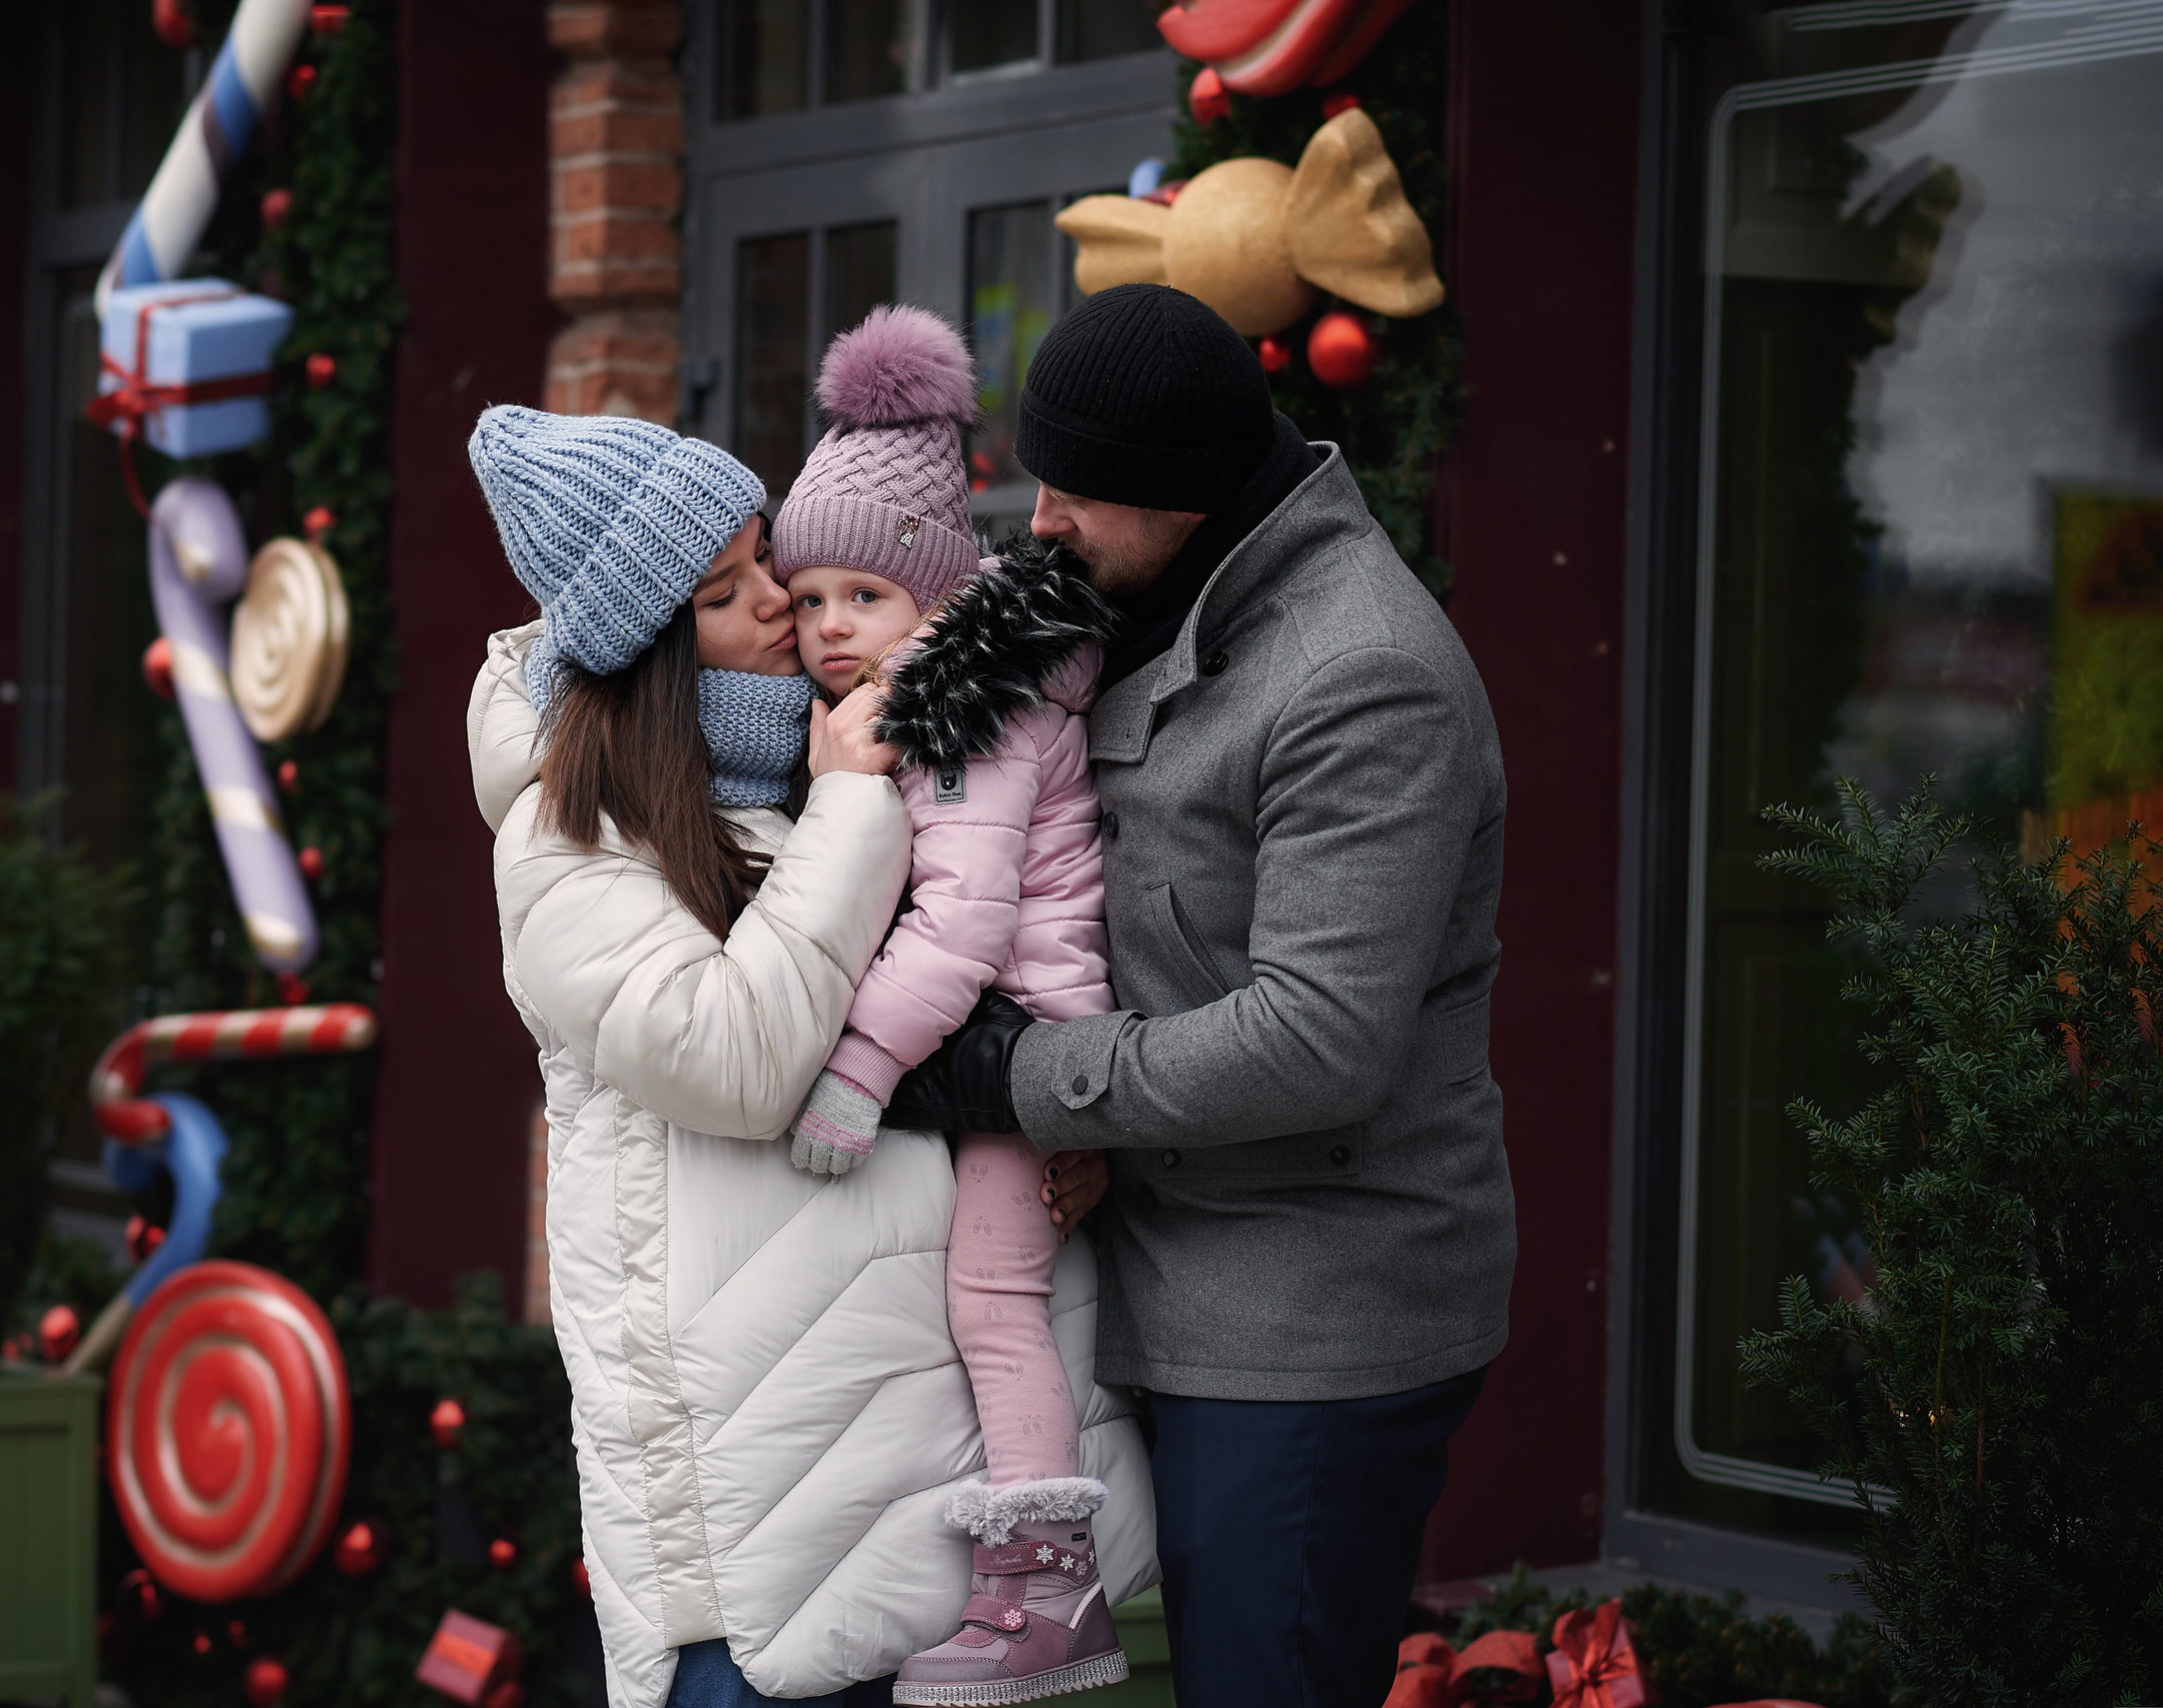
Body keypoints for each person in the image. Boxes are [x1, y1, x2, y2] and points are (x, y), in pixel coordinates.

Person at [879, 283, 1517, 1708]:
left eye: (1081, 489)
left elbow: (1315, 1042)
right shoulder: (1137, 585)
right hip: (1163, 1265)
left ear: (1190, 492)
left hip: (1312, 1305)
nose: (1041, 517)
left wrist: (1010, 1075)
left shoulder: (1362, 675)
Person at [463, 406, 1147, 1708]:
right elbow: (737, 1060)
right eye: (730, 593)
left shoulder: (789, 780)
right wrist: (848, 802)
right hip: (757, 1554)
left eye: (764, 558)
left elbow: (953, 1003)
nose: (785, 604)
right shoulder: (567, 844)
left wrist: (1051, 1133)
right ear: (655, 652)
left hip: (918, 1519)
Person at [769, 305, 1128, 1707]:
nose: (827, 628)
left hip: (1033, 1039)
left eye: (861, 597)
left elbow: (965, 925)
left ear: (930, 590)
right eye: (807, 601)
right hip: (1009, 1036)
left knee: (992, 1298)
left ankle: (1050, 1594)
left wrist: (857, 1062)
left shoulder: (970, 711)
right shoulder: (927, 696)